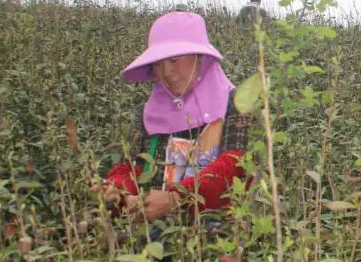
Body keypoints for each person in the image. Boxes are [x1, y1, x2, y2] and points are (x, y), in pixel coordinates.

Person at [96, 11, 250, 221]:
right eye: (158, 65)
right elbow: (134, 167)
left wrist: (176, 198)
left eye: (175, 60)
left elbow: (236, 166)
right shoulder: (149, 113)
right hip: (155, 237)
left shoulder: (235, 104)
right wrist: (117, 190)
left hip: (220, 238)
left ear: (200, 59)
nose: (166, 73)